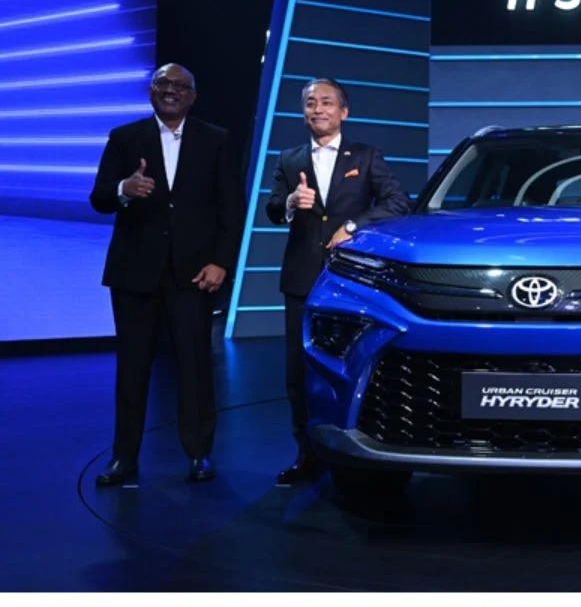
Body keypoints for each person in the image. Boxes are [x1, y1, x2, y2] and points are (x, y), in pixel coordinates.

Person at [89, 63, 245, 486]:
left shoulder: (216, 139)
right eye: (162, 83)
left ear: (193, 96)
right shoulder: (125, 137)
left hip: (194, 273)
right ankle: (124, 458)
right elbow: (99, 197)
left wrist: (221, 262)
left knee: (195, 367)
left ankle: (199, 453)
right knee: (132, 368)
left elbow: (232, 207)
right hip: (135, 272)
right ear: (151, 91)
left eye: (180, 86)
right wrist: (124, 189)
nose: (170, 90)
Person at [266, 77, 411, 485]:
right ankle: (306, 454)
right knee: (298, 372)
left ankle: (360, 448)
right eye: (311, 103)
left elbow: (398, 202)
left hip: (352, 280)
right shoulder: (289, 158)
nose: (318, 109)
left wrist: (352, 225)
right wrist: (290, 203)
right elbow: (272, 209)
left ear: (343, 111)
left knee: (351, 363)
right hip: (301, 276)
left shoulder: (365, 156)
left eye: (326, 102)